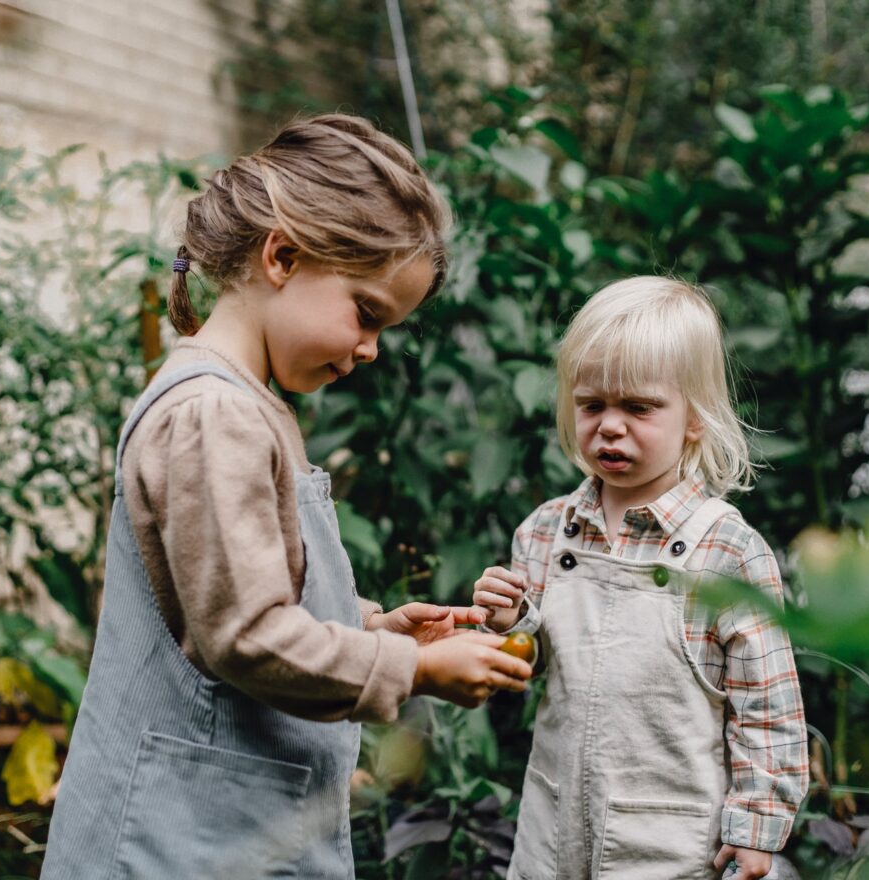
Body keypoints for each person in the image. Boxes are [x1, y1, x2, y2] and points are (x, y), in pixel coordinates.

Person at [41, 114, 532, 880]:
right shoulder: (215, 415)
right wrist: (411, 667)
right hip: (179, 843)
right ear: (282, 255)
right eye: (366, 312)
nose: (369, 348)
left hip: (216, 830)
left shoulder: (243, 404)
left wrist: (375, 625)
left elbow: (245, 588)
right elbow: (246, 633)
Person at [473, 277, 808, 880]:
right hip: (553, 829)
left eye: (638, 407)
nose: (609, 426)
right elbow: (530, 664)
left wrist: (756, 829)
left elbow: (767, 708)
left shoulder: (727, 552)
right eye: (592, 404)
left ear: (695, 419)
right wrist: (509, 621)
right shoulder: (548, 530)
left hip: (671, 841)